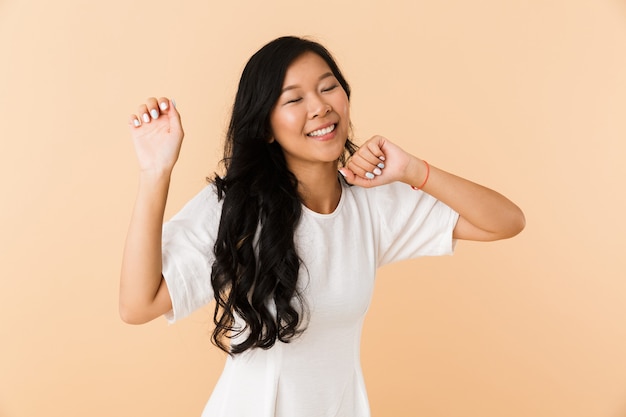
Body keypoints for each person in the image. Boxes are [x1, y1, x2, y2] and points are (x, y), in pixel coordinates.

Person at [120, 36, 525, 417]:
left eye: (328, 87)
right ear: (265, 126)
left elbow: (505, 222)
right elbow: (138, 305)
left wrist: (413, 170)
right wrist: (156, 172)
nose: (319, 107)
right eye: (294, 99)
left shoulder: (371, 203)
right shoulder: (236, 207)